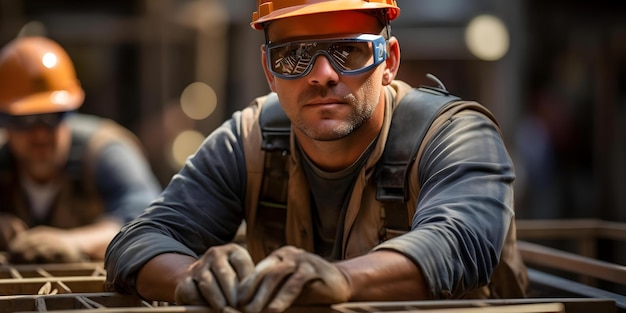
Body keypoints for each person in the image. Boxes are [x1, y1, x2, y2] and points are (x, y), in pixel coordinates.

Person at [105, 1, 528, 312]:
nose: (322, 74)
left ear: (389, 61)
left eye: (347, 51)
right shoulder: (250, 137)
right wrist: (188, 277)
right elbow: (138, 240)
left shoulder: (454, 134)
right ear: (270, 73)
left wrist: (341, 279)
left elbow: (461, 241)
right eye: (294, 56)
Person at [0, 35, 162, 264]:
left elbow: (148, 220)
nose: (39, 134)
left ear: (70, 112)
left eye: (51, 117)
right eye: (23, 120)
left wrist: (75, 242)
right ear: (4, 121)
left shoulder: (105, 151)